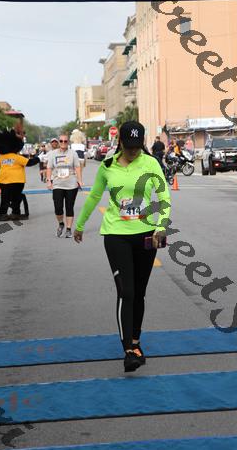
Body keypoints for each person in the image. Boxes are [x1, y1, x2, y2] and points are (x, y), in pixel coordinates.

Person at [74, 121, 171, 373]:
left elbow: (164, 196)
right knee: (126, 291)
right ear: (121, 143)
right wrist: (80, 224)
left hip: (146, 235)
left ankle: (136, 343)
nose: (133, 151)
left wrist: (162, 225)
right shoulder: (107, 166)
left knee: (139, 292)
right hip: (116, 234)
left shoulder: (151, 163)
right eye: (129, 147)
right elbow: (95, 196)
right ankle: (128, 349)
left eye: (137, 147)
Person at [0, 129, 39, 221]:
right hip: (17, 181)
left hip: (3, 181)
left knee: (4, 197)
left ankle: (3, 214)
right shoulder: (17, 157)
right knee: (16, 198)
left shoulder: (1, 157)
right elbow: (29, 163)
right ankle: (15, 213)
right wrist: (38, 158)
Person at [46, 134, 83, 238]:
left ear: (68, 142)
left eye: (65, 141)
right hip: (57, 184)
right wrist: (48, 181)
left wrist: (80, 180)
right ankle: (61, 224)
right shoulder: (53, 154)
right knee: (58, 208)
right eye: (61, 141)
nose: (63, 143)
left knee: (69, 207)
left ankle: (68, 229)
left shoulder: (73, 153)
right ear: (59, 142)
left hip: (71, 184)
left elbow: (77, 167)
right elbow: (49, 168)